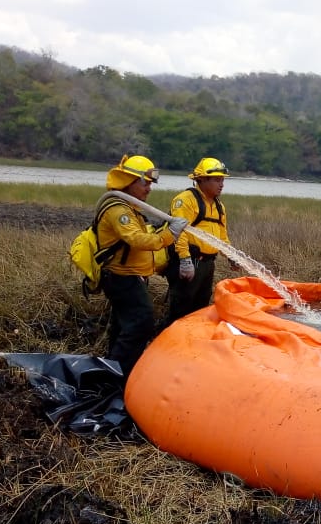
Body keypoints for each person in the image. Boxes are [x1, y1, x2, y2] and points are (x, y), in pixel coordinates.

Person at [97, 154, 187, 377]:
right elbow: (138, 240)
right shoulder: (118, 209)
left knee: (122, 326)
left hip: (130, 277)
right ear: (129, 181)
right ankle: (120, 375)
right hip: (122, 278)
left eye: (150, 183)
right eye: (144, 183)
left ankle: (112, 371)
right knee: (141, 323)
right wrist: (170, 234)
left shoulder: (131, 207)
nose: (149, 188)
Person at [163, 157, 232, 326]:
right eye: (217, 180)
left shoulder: (218, 206)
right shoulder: (186, 200)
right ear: (201, 179)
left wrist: (231, 256)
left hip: (207, 264)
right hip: (190, 262)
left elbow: (222, 237)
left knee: (200, 309)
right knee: (181, 310)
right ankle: (169, 344)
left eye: (222, 180)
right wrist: (185, 261)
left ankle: (192, 346)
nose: (221, 184)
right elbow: (179, 233)